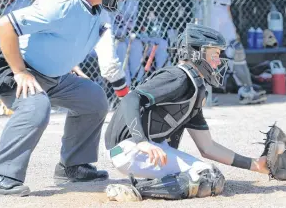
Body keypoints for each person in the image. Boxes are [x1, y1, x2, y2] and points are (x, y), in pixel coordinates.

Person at [0, 0, 121, 196]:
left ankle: (73, 166)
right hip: (15, 70)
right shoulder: (60, 4)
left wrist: (70, 64)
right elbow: (5, 25)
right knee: (36, 107)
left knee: (94, 99)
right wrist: (20, 71)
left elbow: (69, 39)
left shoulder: (97, 7)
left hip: (55, 75)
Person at [104, 24, 271, 202]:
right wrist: (142, 142)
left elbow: (208, 148)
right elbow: (131, 99)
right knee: (206, 176)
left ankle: (155, 182)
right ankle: (135, 190)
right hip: (130, 148)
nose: (218, 61)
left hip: (147, 149)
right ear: (197, 53)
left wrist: (256, 165)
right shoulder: (179, 77)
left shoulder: (194, 88)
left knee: (209, 177)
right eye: (214, 55)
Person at [28, 0, 130, 98]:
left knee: (109, 66)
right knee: (57, 61)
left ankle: (129, 104)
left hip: (95, 16)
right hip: (71, 15)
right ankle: (39, 99)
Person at [193, 0, 266, 105]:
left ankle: (246, 91)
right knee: (209, 53)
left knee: (236, 48)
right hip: (208, 10)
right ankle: (204, 95)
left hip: (223, 10)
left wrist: (230, 21)